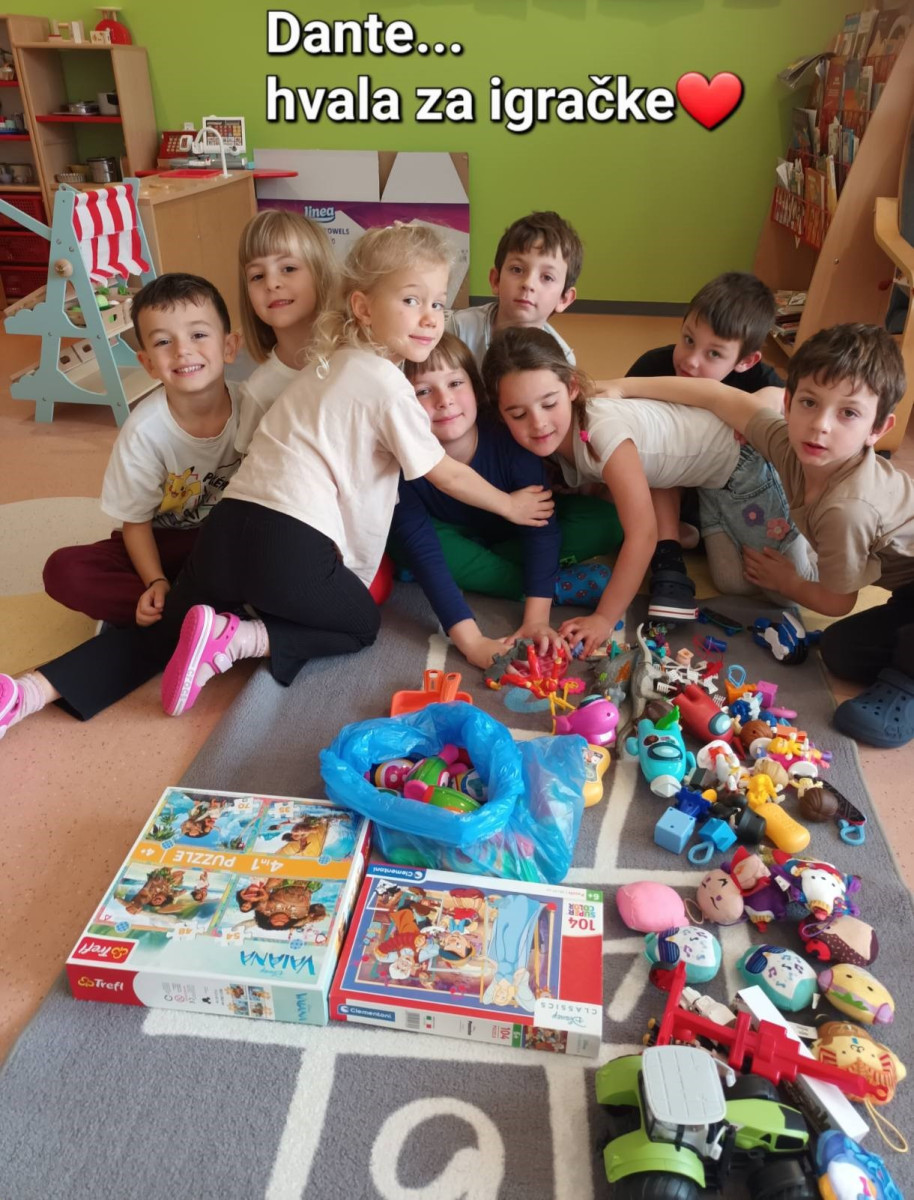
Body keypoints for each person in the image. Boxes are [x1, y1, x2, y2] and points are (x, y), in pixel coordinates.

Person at [0, 225, 552, 739]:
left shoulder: (329, 365)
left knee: (165, 630)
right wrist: (509, 506)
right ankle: (238, 638)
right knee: (359, 624)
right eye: (411, 301)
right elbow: (443, 472)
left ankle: (29, 691)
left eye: (438, 303)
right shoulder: (386, 384)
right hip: (288, 539)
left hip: (227, 528)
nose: (430, 318)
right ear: (362, 307)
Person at [603, 323, 914, 749]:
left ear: (878, 428)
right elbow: (719, 396)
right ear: (788, 402)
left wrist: (789, 582)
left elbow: (839, 601)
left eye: (848, 413)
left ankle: (905, 683)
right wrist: (619, 387)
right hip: (906, 592)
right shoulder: (789, 443)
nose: (820, 425)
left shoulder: (848, 508)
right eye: (809, 402)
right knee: (841, 652)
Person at [482, 326, 795, 654]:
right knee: (731, 580)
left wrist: (604, 618)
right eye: (518, 414)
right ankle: (691, 531)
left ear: (572, 387)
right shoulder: (559, 440)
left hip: (743, 464)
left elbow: (643, 535)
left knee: (780, 591)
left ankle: (804, 530)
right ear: (501, 414)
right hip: (707, 486)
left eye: (549, 404)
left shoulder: (602, 432)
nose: (538, 423)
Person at [389, 332, 622, 668]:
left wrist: (537, 620)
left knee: (606, 522)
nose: (444, 400)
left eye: (455, 383)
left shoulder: (505, 435)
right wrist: (472, 642)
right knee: (409, 547)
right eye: (423, 391)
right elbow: (423, 548)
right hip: (448, 538)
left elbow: (541, 527)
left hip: (509, 534)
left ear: (476, 389)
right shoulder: (399, 459)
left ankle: (497, 577)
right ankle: (554, 585)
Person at [42, 273, 242, 627]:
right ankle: (185, 614)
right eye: (163, 341)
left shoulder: (255, 407)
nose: (182, 350)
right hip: (160, 543)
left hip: (226, 540)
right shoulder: (143, 432)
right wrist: (155, 581)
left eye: (198, 335)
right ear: (148, 363)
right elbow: (135, 525)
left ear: (229, 346)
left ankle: (196, 613)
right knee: (64, 570)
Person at [624, 272, 814, 613]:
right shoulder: (654, 365)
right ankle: (668, 553)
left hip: (730, 503)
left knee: (749, 578)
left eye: (713, 354)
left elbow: (789, 400)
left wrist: (764, 402)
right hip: (670, 495)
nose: (691, 360)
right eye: (688, 340)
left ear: (745, 361)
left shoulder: (758, 379)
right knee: (654, 457)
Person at [233, 207, 338, 454]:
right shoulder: (259, 391)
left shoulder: (355, 357)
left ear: (321, 274)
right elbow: (251, 467)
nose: (271, 283)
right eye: (257, 276)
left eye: (288, 268)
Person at [447, 210, 581, 367]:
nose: (528, 284)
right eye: (517, 269)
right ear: (496, 281)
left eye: (547, 277)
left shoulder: (561, 360)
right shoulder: (458, 329)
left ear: (564, 299)